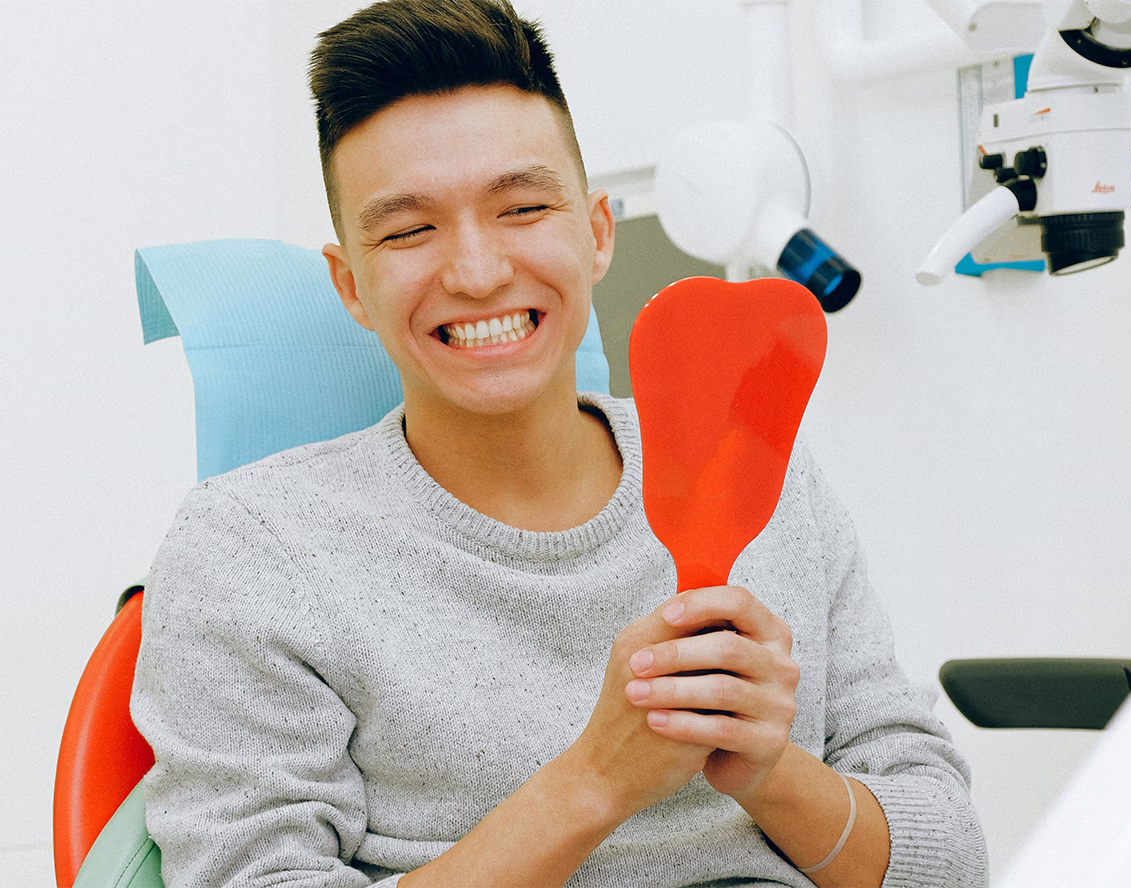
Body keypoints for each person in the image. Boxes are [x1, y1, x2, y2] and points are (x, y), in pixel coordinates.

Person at [130, 2, 988, 886]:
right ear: (351, 284)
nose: (477, 271)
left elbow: (951, 864)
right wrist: (594, 783)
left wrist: (774, 774)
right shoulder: (251, 551)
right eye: (410, 229)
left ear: (597, 231)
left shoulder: (763, 483)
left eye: (523, 207)